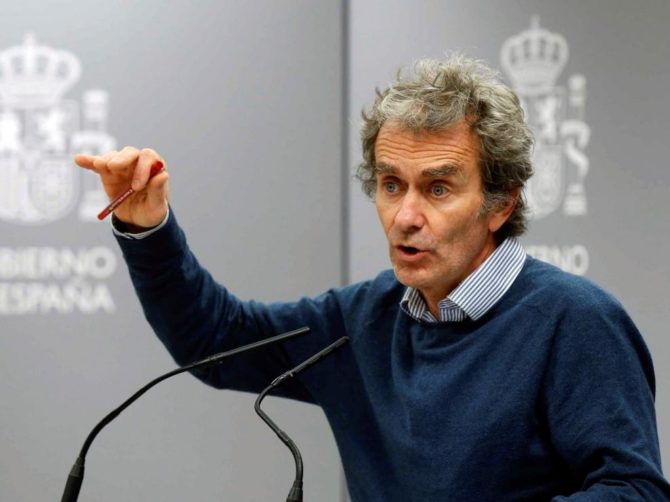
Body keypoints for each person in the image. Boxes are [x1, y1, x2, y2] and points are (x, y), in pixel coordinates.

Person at [74, 55, 670, 501]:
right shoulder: (360, 321)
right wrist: (146, 225)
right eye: (391, 184)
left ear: (500, 203)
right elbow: (215, 340)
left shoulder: (575, 321)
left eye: (438, 188)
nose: (406, 215)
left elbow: (633, 489)